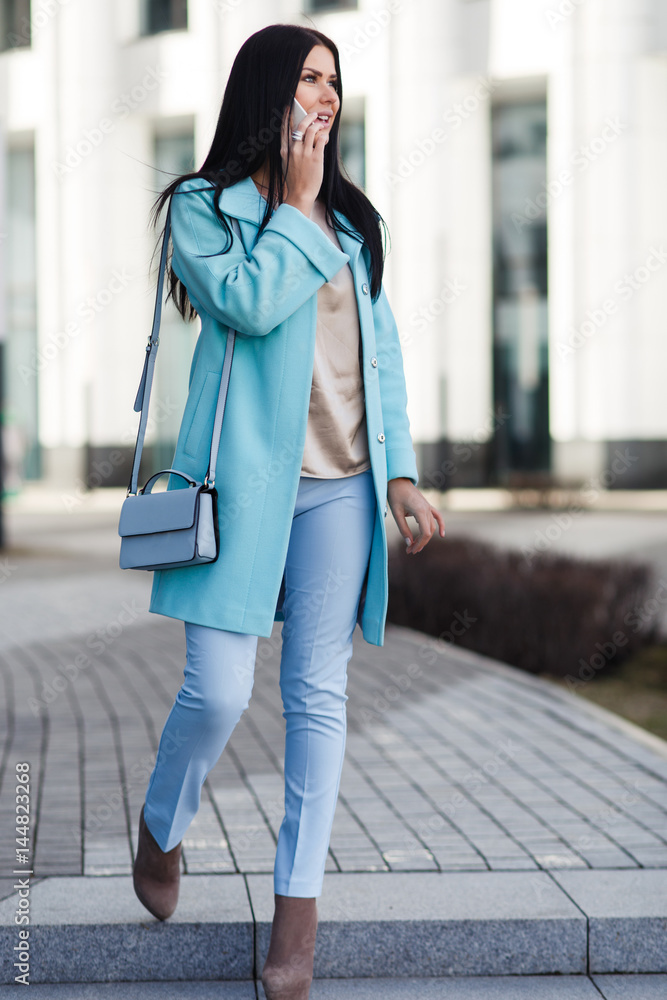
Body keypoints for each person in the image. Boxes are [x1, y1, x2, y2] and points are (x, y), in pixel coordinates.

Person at [131, 22, 445, 1000]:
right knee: (219, 691)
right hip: (237, 488)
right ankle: (161, 822)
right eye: (310, 77)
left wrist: (399, 472)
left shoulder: (355, 226)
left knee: (317, 698)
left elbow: (378, 357)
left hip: (343, 490)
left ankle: (295, 922)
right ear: (269, 91)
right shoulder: (201, 209)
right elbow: (248, 304)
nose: (327, 95)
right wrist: (296, 209)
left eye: (335, 82)